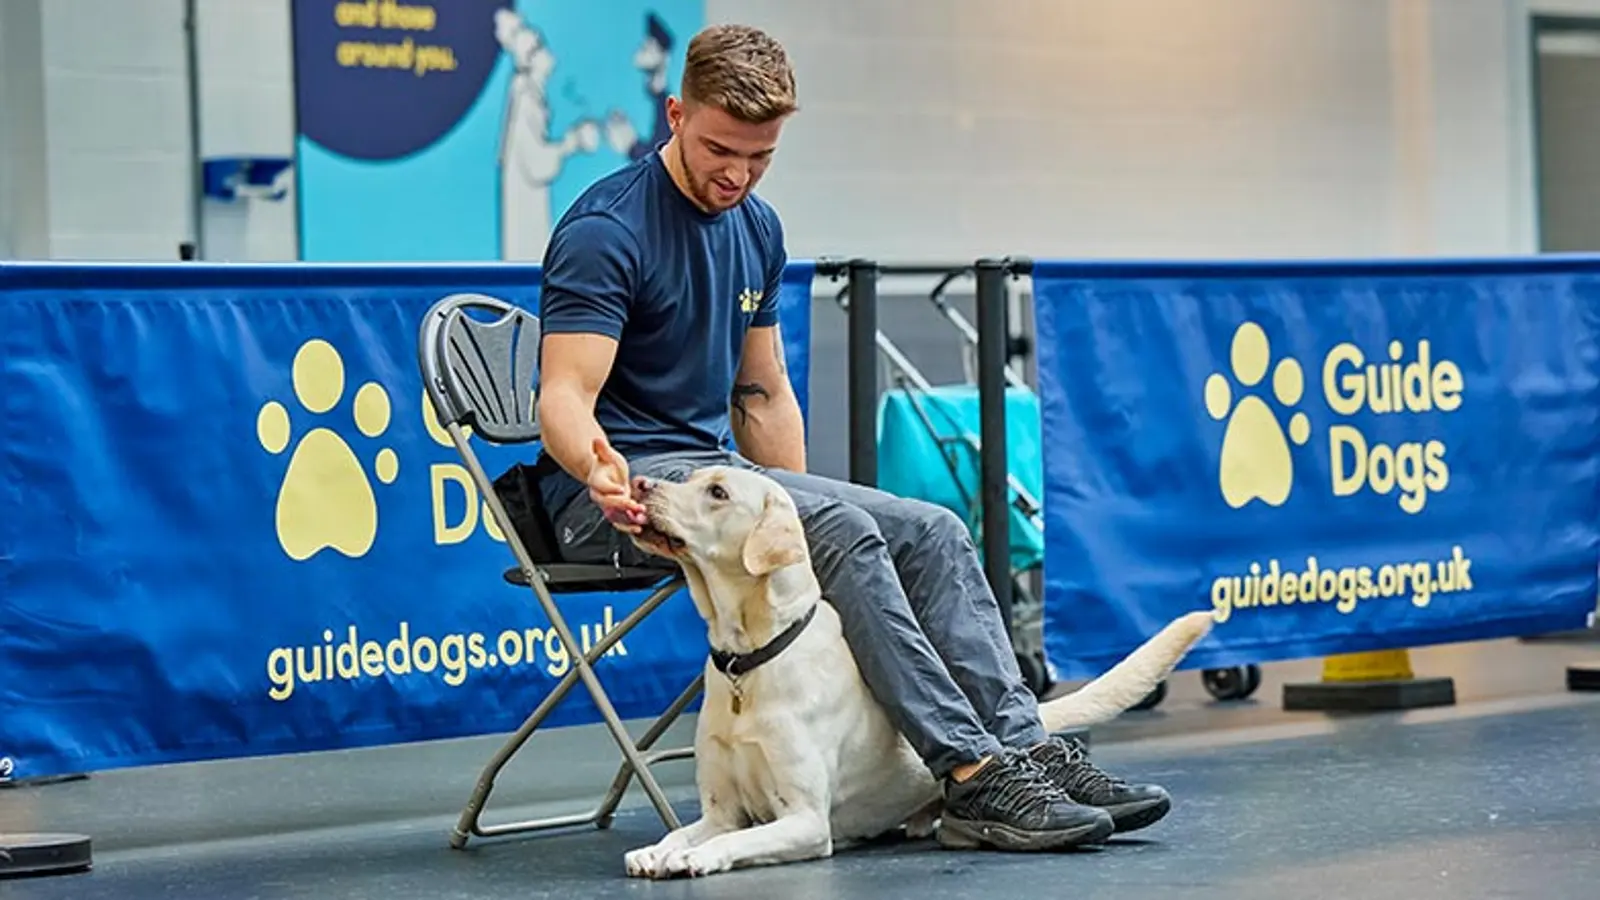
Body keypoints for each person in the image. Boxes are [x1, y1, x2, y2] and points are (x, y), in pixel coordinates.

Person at [531, 23, 1171, 852]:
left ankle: (1025, 747)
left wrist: (790, 521)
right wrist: (597, 467)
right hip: (616, 491)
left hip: (717, 479)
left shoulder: (757, 230)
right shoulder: (605, 231)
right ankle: (972, 776)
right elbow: (563, 398)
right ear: (675, 112)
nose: (737, 173)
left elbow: (762, 393)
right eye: (721, 148)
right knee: (842, 529)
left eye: (760, 156)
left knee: (932, 527)